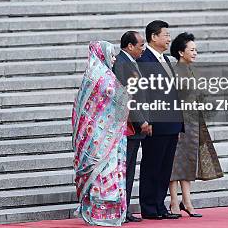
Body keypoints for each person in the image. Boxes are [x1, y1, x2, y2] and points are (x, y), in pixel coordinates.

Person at [72, 41, 130, 226]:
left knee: (106, 172)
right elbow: (119, 96)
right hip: (99, 137)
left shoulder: (97, 74)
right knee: (103, 172)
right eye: (111, 54)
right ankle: (98, 213)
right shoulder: (100, 75)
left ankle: (101, 213)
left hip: (106, 135)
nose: (114, 58)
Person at [168, 32, 224, 218]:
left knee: (189, 162)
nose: (195, 53)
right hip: (178, 122)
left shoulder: (193, 70)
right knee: (175, 162)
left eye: (196, 50)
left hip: (193, 124)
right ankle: (174, 202)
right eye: (192, 50)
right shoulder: (173, 71)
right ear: (180, 52)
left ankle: (187, 201)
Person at [136, 20, 183, 220]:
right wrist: (146, 121)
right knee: (152, 166)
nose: (169, 39)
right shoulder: (144, 60)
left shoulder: (166, 60)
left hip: (171, 123)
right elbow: (143, 94)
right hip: (155, 124)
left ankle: (160, 205)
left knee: (164, 168)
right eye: (165, 35)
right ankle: (149, 207)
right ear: (153, 37)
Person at [112, 31, 150, 223]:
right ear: (129, 46)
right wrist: (140, 120)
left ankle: (124, 209)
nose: (143, 48)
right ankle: (122, 210)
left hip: (133, 126)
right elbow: (125, 97)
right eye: (141, 45)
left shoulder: (130, 61)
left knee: (128, 170)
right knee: (125, 170)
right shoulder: (121, 63)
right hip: (129, 127)